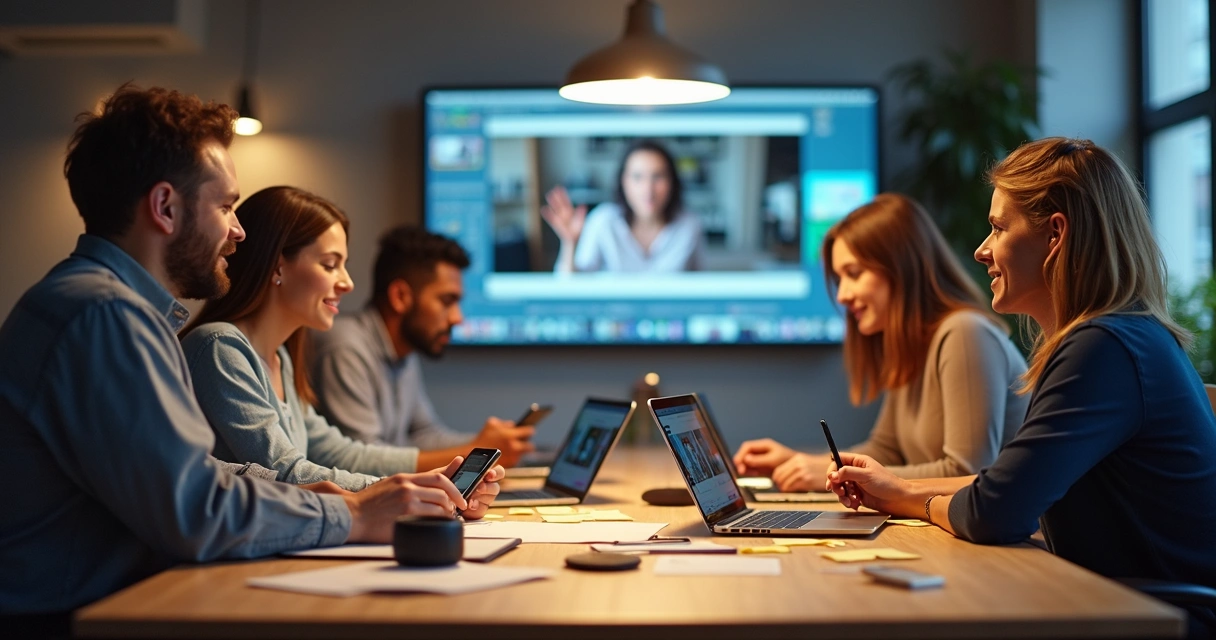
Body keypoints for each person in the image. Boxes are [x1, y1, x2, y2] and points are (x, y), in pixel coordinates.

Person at [0, 85, 499, 632]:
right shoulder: (104, 317)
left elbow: (201, 473)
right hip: (69, 619)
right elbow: (195, 510)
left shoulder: (106, 308)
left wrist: (331, 495)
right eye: (225, 205)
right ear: (165, 207)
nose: (238, 230)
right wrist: (353, 513)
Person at [825, 138, 1216, 635]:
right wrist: (898, 489)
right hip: (1115, 602)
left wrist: (909, 499)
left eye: (997, 227)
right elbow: (1004, 485)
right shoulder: (1122, 336)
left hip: (1154, 619)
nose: (981, 250)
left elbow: (995, 512)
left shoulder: (1104, 347)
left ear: (1055, 235)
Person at [181, 188, 508, 493]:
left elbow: (336, 451)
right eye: (330, 265)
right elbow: (285, 473)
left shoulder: (280, 356)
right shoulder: (220, 347)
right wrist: (406, 490)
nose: (348, 284)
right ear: (278, 265)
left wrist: (429, 480)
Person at [734, 193, 1028, 491]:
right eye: (840, 279)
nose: (842, 295)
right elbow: (886, 449)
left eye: (854, 274)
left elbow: (967, 472)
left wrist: (829, 470)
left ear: (901, 268)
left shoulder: (965, 333)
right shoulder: (912, 344)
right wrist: (800, 462)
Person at [309, 226, 535, 468]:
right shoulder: (345, 347)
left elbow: (423, 435)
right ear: (400, 297)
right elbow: (360, 460)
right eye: (446, 301)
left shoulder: (404, 351)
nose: (457, 318)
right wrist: (474, 453)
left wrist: (488, 445)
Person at [542, 139, 703, 273]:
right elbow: (571, 286)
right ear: (624, 182)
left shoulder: (689, 226)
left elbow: (702, 286)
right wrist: (570, 244)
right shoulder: (603, 221)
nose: (648, 189)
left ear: (672, 183)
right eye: (637, 177)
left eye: (658, 176)